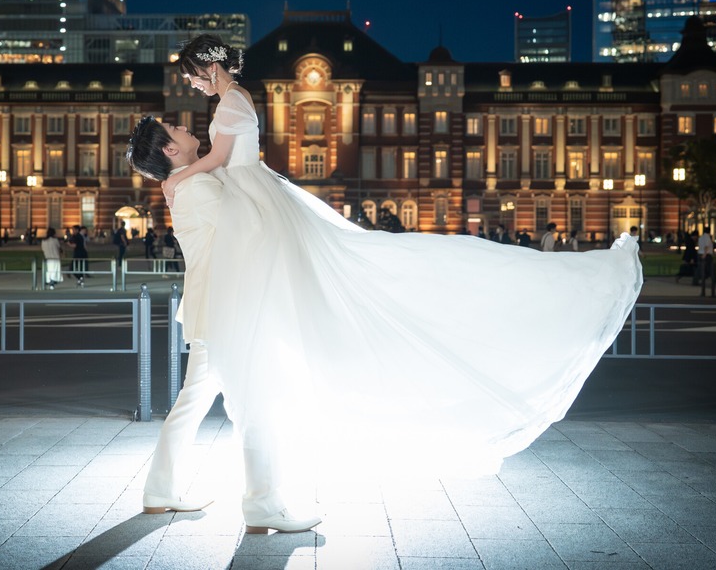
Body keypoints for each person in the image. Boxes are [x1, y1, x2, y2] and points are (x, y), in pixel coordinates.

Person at [151, 33, 644, 483]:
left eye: (193, 76)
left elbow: (216, 160)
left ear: (208, 67)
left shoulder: (231, 101)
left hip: (252, 205)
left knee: (302, 291)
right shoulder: (235, 102)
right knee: (305, 285)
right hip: (255, 203)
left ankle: (263, 469)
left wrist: (175, 178)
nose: (192, 86)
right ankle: (263, 470)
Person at [128, 117, 319, 534]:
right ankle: (262, 504)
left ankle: (160, 490)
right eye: (173, 128)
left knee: (193, 403)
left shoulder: (189, 182)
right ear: (169, 150)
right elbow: (251, 226)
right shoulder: (194, 187)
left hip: (213, 309)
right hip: (227, 310)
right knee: (254, 404)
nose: (183, 126)